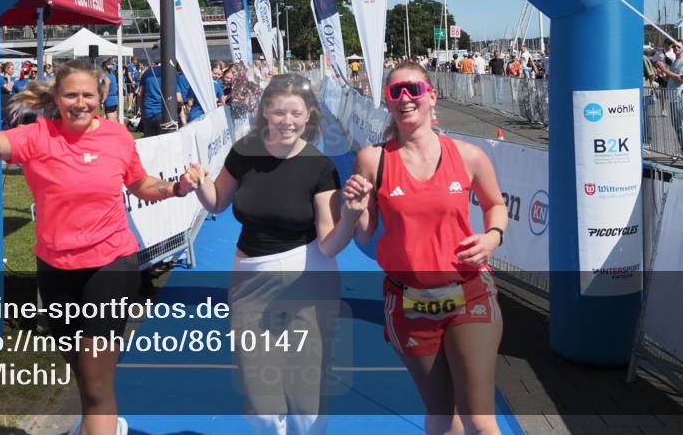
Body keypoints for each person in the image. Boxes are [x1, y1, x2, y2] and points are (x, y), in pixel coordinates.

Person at [0, 47, 200, 435]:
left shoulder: (118, 136)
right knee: (82, 372)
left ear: (101, 97)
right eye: (71, 95)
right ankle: (100, 424)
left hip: (110, 266)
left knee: (97, 381)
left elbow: (139, 183)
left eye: (88, 95)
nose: (80, 103)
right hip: (55, 269)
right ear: (56, 99)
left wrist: (176, 187)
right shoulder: (36, 137)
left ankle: (100, 426)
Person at [183, 74, 359, 435]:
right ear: (265, 111)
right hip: (249, 276)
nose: (288, 121)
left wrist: (352, 217)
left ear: (308, 115)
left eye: (295, 113)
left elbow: (329, 242)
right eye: (279, 113)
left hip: (309, 276)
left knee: (306, 394)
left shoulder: (320, 166)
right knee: (260, 398)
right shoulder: (244, 152)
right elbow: (216, 201)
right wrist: (199, 184)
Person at [342, 61, 509, 435]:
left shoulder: (468, 156)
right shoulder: (373, 160)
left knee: (479, 420)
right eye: (395, 92)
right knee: (441, 416)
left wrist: (492, 236)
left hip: (469, 292)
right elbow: (365, 235)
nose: (405, 98)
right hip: (408, 302)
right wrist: (353, 211)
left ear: (432, 96)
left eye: (413, 89)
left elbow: (495, 205)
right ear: (387, 101)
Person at [655, 42, 683, 163]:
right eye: (674, 47)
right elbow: (669, 79)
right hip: (673, 97)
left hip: (681, 97)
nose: (676, 48)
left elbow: (680, 78)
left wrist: (665, 70)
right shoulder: (674, 63)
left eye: (678, 46)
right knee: (677, 126)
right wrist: (662, 72)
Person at [137, 60, 165, 137]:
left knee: (149, 141)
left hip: (148, 111)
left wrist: (140, 109)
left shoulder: (146, 74)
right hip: (162, 112)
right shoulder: (165, 72)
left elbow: (139, 93)